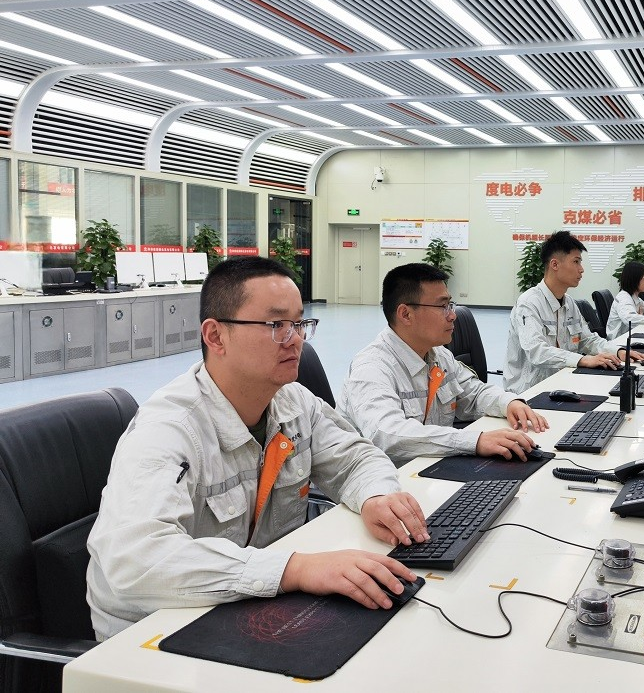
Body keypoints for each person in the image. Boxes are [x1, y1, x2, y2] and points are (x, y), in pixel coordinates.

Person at [87, 257, 430, 640]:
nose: (295, 338)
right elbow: (135, 559)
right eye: (275, 325)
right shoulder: (169, 431)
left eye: (299, 323)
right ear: (216, 336)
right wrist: (294, 569)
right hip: (152, 635)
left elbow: (356, 458)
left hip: (249, 608)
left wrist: (376, 495)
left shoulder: (294, 402)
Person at [341, 263, 548, 467]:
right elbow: (388, 435)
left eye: (450, 305)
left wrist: (509, 403)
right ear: (405, 314)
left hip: (429, 466)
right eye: (442, 307)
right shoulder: (371, 368)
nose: (452, 315)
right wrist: (474, 441)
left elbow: (474, 393)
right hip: (383, 480)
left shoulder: (438, 355)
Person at [504, 231, 644, 394]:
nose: (581, 269)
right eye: (576, 262)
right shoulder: (529, 303)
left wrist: (618, 351)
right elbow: (537, 351)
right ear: (555, 264)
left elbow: (588, 340)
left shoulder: (569, 303)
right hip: (530, 392)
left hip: (563, 384)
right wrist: (583, 360)